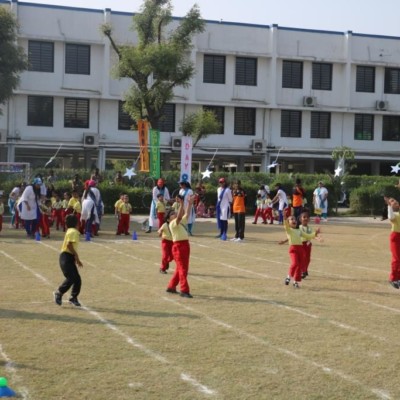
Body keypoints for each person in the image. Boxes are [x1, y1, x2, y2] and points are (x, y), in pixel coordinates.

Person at [165, 194, 196, 298]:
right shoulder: (172, 223)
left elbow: (186, 214)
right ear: (169, 219)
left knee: (180, 268)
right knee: (183, 269)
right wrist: (182, 203)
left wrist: (190, 203)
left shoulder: (179, 222)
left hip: (185, 245)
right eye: (172, 214)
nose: (174, 214)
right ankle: (184, 290)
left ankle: (171, 286)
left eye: (174, 213)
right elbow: (179, 216)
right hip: (178, 246)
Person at [281, 210, 320, 288]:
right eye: (291, 219)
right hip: (293, 249)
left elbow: (308, 236)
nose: (294, 220)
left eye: (294, 219)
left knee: (299, 266)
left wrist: (315, 233)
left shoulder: (299, 230)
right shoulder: (289, 230)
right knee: (295, 263)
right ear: (289, 223)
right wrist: (285, 218)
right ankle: (288, 277)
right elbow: (285, 225)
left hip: (300, 250)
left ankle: (296, 282)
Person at [53, 214, 83, 307]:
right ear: (76, 223)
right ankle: (59, 292)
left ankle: (73, 297)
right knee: (71, 278)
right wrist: (77, 257)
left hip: (68, 257)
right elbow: (69, 245)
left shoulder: (70, 230)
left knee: (77, 279)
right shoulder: (74, 232)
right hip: (66, 256)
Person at [384, 197, 400, 289]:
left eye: (395, 200)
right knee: (396, 258)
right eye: (392, 201)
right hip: (396, 237)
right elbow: (390, 216)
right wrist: (389, 206)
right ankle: (393, 278)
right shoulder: (393, 214)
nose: (395, 201)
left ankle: (398, 278)